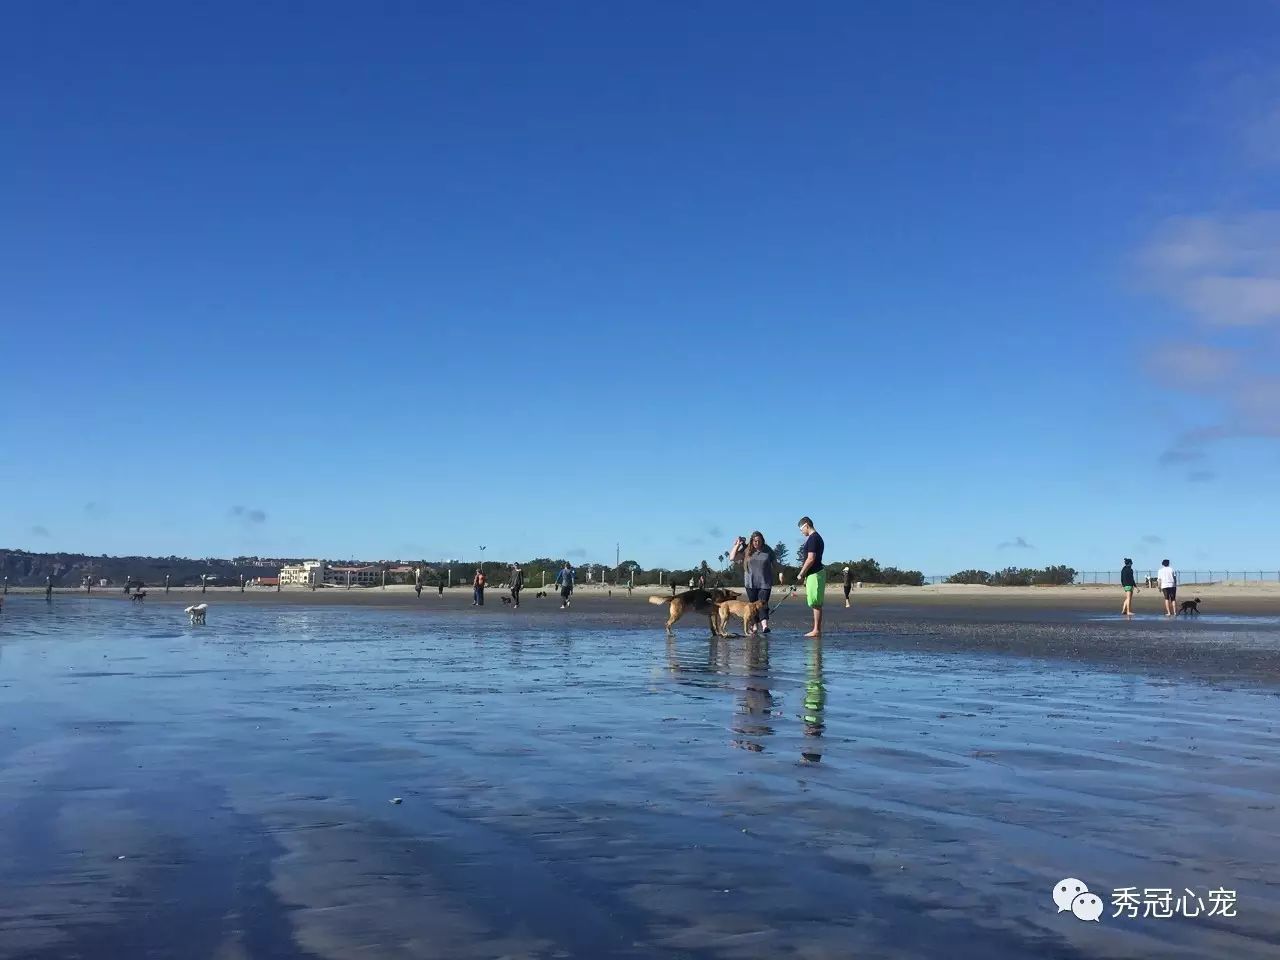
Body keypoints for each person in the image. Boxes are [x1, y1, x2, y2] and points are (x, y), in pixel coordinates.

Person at [729, 531, 776, 634]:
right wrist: (737, 544)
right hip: (750, 583)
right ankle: (754, 626)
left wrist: (781, 573)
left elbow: (775, 562)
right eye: (755, 541)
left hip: (765, 582)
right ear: (752, 541)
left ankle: (765, 627)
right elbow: (732, 557)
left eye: (759, 541)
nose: (757, 543)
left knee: (763, 603)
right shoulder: (747, 550)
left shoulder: (768, 550)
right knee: (753, 607)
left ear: (762, 541)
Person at [794, 516, 826, 637]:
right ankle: (816, 629)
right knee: (813, 601)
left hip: (815, 573)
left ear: (806, 525)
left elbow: (811, 558)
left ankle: (816, 629)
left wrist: (801, 573)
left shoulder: (813, 538)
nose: (801, 532)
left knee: (815, 602)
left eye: (801, 529)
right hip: (813, 574)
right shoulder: (814, 538)